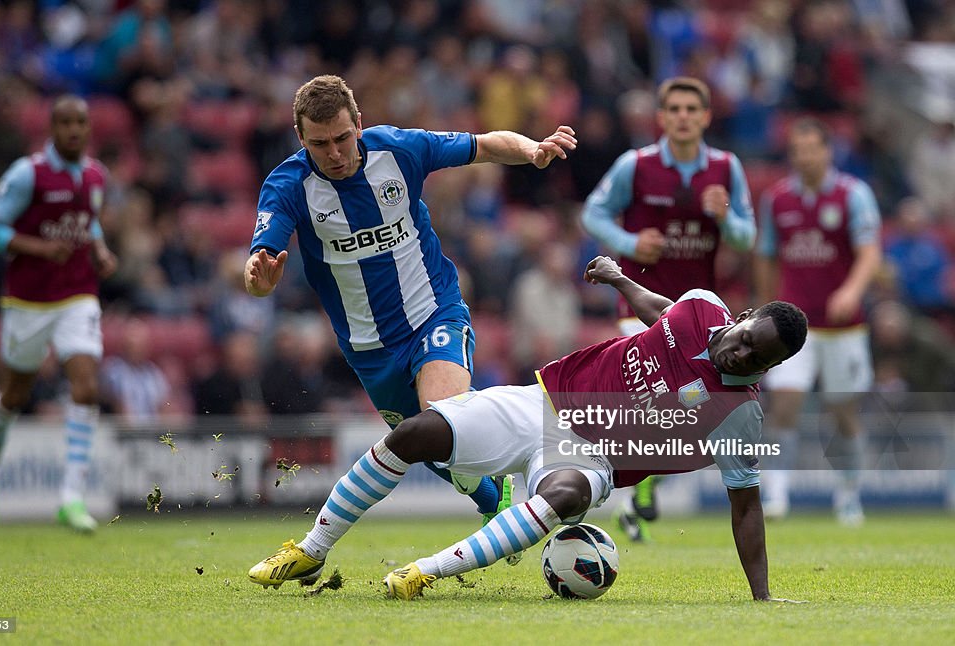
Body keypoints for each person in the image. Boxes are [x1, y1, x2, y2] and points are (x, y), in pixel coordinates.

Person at [247, 255, 807, 600]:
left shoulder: (739, 414)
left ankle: (424, 572)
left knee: (565, 494)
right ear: (743, 316)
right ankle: (312, 549)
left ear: (773, 365)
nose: (739, 353)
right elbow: (661, 310)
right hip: (540, 402)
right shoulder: (703, 308)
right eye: (745, 336)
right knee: (412, 436)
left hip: (594, 462)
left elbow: (746, 505)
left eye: (757, 356)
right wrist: (618, 279)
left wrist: (761, 597)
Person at [244, 75, 576, 521]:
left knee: (444, 417)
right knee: (438, 450)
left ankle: (542, 462)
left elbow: (485, 144)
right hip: (369, 347)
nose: (336, 153)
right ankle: (495, 497)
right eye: (321, 144)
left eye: (343, 137)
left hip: (432, 310)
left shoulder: (399, 149)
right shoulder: (287, 187)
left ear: (359, 123)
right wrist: (261, 280)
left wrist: (532, 149)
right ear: (301, 138)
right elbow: (259, 274)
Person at [580, 76, 757, 541]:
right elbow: (593, 213)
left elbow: (747, 238)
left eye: (690, 109)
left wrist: (725, 218)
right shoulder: (634, 166)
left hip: (701, 315)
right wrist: (629, 243)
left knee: (681, 410)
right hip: (639, 300)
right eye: (673, 109)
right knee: (648, 400)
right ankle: (619, 488)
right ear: (661, 118)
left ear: (705, 117)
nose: (682, 116)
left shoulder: (725, 167)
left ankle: (635, 491)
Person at [0, 95, 119, 532]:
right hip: (28, 301)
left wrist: (100, 249)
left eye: (81, 123)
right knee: (15, 395)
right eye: (65, 123)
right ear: (52, 129)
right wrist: (38, 248)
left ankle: (71, 497)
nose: (74, 130)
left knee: (86, 386)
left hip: (77, 294)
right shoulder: (27, 173)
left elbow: (87, 222)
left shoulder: (96, 175)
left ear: (89, 129)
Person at [755, 117, 882, 525]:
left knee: (843, 413)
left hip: (844, 328)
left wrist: (851, 290)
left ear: (828, 151)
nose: (806, 157)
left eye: (813, 148)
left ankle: (848, 493)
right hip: (794, 328)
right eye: (798, 150)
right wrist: (765, 307)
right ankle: (775, 494)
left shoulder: (853, 195)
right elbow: (766, 255)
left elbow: (869, 252)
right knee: (785, 403)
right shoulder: (776, 199)